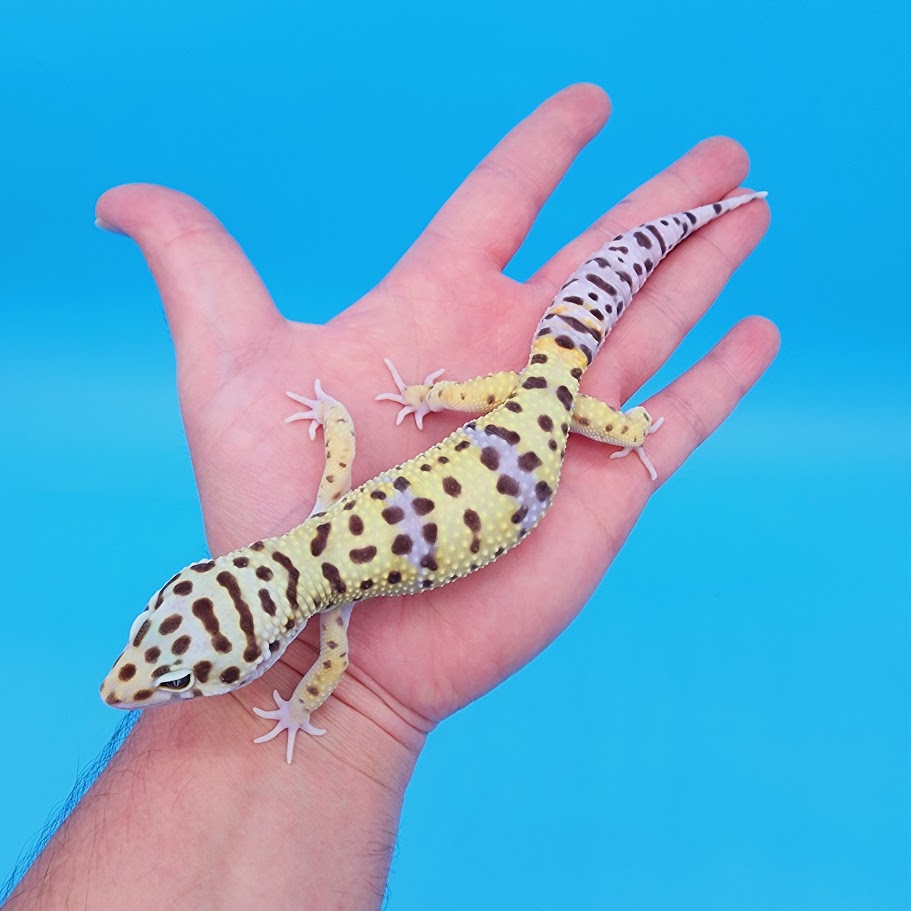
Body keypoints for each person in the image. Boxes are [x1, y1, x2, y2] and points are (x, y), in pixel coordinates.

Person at [4, 84, 776, 909]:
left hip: (543, 415)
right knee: (605, 393)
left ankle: (695, 230)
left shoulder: (329, 618)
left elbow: (327, 668)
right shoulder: (321, 523)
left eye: (172, 663)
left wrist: (301, 717)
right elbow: (338, 446)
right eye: (174, 666)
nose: (127, 680)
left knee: (613, 403)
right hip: (522, 404)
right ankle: (681, 259)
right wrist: (407, 401)